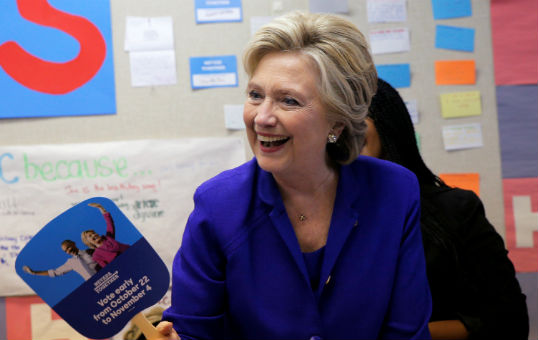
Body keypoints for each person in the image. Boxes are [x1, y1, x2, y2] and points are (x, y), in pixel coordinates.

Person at [158, 11, 432, 340]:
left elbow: (406, 332)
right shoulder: (218, 204)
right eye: (255, 95)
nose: (261, 118)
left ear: (337, 121)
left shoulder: (394, 192)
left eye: (288, 100)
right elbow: (196, 331)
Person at [361, 78, 529, 339]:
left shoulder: (453, 211)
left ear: (388, 129)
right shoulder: (307, 217)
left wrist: (405, 334)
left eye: (354, 118)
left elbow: (508, 320)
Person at [22, 239, 99, 281]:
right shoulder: (71, 262)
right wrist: (34, 272)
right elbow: (55, 272)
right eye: (66, 251)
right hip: (92, 285)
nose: (68, 251)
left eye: (68, 247)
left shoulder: (89, 251)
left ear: (73, 243)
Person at [81, 202, 130, 268]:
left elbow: (109, 223)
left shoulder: (108, 237)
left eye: (93, 233)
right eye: (90, 236)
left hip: (132, 253)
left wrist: (101, 208)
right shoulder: (96, 256)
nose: (93, 235)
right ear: (88, 242)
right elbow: (107, 270)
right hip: (124, 267)